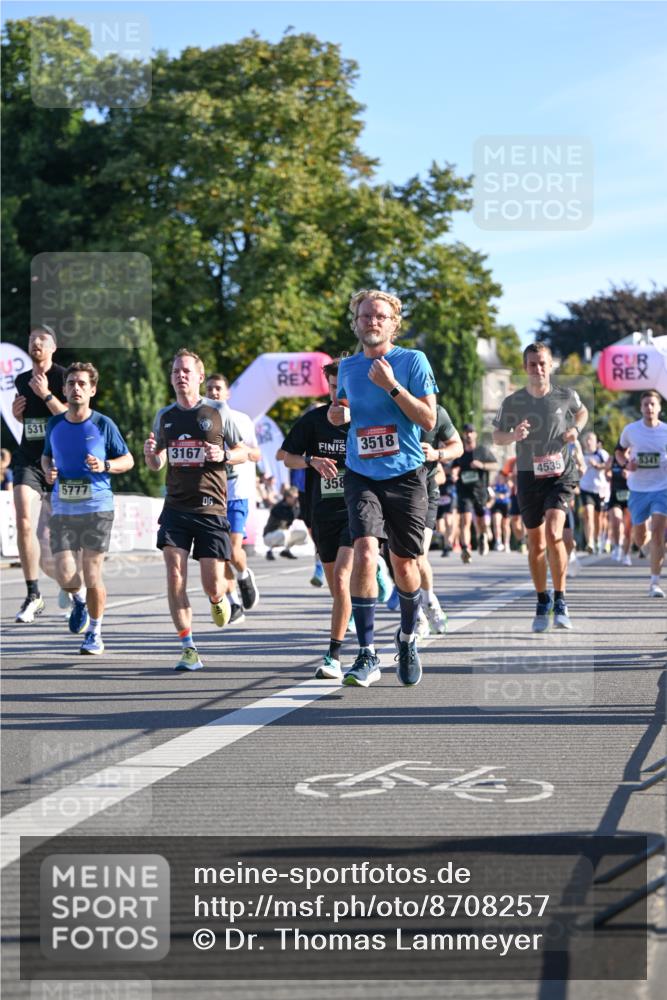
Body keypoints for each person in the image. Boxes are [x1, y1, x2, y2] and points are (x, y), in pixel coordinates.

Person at [328, 288, 438, 687]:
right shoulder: (347, 367)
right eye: (365, 316)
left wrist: (393, 386)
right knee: (365, 552)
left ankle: (407, 636)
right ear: (355, 322)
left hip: (407, 474)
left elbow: (427, 420)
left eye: (380, 317)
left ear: (394, 323)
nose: (371, 322)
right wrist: (337, 414)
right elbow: (342, 411)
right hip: (362, 474)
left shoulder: (412, 361)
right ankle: (366, 653)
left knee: (405, 564)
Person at [144, 348, 247, 671]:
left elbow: (245, 451)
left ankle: (218, 599)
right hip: (175, 506)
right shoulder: (165, 415)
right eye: (176, 371)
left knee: (211, 584)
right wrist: (150, 455)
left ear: (200, 377)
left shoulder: (218, 411)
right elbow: (158, 461)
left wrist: (223, 455)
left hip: (211, 508)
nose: (181, 375)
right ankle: (188, 647)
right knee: (174, 575)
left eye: (186, 370)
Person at [492, 342, 588, 632]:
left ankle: (561, 599)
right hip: (528, 475)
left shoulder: (565, 395)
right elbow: (497, 436)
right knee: (535, 544)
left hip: (561, 474)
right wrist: (513, 435)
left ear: (550, 365)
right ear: (525, 368)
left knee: (554, 531)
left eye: (543, 363)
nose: (538, 369)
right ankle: (542, 599)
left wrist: (576, 430)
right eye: (533, 364)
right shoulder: (513, 402)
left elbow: (581, 413)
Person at [41, 363, 134, 653]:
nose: (76, 388)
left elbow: (128, 460)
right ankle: (79, 599)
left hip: (97, 505)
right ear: (64, 389)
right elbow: (46, 458)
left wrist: (105, 465)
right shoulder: (54, 424)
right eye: (71, 383)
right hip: (63, 506)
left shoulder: (103, 424)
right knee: (65, 572)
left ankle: (95, 632)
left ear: (92, 390)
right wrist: (48, 471)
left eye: (82, 383)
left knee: (92, 572)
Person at [279, 357, 353, 679]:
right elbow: (284, 458)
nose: (339, 394)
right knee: (338, 588)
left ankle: (334, 655)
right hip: (322, 511)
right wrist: (311, 460)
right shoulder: (314, 421)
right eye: (334, 387)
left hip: (358, 509)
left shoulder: (365, 419)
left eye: (345, 387)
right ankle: (355, 612)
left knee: (340, 580)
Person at [11, 325, 68, 622]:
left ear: (53, 347)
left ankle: (71, 585)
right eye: (31, 339)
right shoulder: (21, 380)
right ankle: (33, 594)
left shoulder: (64, 377)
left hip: (62, 464)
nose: (35, 343)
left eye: (42, 340)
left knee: (54, 545)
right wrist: (17, 413)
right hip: (29, 459)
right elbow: (26, 421)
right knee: (22, 520)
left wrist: (46, 395)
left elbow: (71, 416)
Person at [205, 373, 260, 622]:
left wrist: (236, 454)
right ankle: (234, 601)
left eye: (218, 388)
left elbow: (256, 453)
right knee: (219, 553)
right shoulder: (200, 421)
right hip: (212, 496)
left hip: (237, 493)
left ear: (227, 393)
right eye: (209, 389)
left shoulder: (241, 420)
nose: (214, 393)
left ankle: (244, 574)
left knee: (232, 549)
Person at [617, 390, 667, 598]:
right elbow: (618, 452)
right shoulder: (631, 430)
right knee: (640, 537)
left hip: (662, 488)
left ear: (659, 408)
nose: (649, 408)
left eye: (652, 404)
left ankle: (654, 582)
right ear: (641, 408)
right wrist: (627, 464)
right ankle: (646, 549)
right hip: (637, 489)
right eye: (645, 404)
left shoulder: (666, 430)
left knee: (658, 533)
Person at [417, 404, 463, 632]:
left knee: (417, 555)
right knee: (396, 559)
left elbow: (458, 446)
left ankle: (428, 602)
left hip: (425, 491)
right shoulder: (386, 405)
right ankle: (416, 613)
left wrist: (437, 454)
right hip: (392, 491)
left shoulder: (435, 411)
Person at [452, 424, 498, 561]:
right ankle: (466, 549)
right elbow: (454, 467)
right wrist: (454, 473)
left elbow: (495, 465)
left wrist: (482, 465)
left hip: (480, 491)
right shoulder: (460, 452)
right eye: (466, 432)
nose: (469, 435)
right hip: (464, 490)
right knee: (465, 520)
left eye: (471, 432)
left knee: (481, 521)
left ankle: (482, 536)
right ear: (463, 434)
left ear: (475, 434)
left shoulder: (482, 450)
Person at [578, 431, 609, 554]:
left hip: (601, 490)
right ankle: (589, 542)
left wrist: (597, 465)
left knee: (599, 518)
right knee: (588, 514)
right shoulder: (581, 455)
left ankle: (598, 539)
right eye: (587, 440)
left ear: (596, 442)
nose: (589, 442)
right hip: (585, 488)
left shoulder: (601, 454)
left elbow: (608, 466)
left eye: (591, 439)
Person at [263, 486, 307, 558]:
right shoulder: (279, 507)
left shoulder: (294, 507)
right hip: (269, 535)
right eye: (294, 498)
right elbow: (290, 517)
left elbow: (303, 516)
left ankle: (286, 551)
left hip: (284, 534)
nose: (296, 500)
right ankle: (269, 551)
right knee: (283, 533)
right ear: (287, 497)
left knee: (303, 534)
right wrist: (297, 506)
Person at [606, 444, 632, 565]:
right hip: (615, 495)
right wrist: (608, 475)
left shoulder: (633, 458)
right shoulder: (612, 459)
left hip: (630, 496)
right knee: (616, 520)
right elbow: (607, 472)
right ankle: (617, 547)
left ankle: (627, 554)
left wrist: (630, 476)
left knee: (628, 528)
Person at [491, 470, 512, 551]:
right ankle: (498, 541)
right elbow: (490, 492)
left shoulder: (507, 484)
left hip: (506, 505)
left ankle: (507, 543)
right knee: (496, 523)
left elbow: (509, 493)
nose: (499, 477)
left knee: (505, 525)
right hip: (497, 505)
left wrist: (504, 495)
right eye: (498, 476)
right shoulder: (494, 485)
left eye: (501, 476)